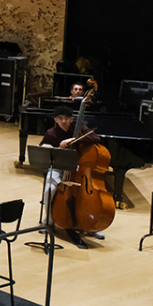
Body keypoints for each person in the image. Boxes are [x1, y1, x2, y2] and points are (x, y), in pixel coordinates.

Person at [40, 105, 105, 248]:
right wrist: (47, 147)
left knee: (85, 196)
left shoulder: (80, 128)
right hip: (59, 167)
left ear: (71, 119)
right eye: (60, 118)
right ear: (55, 119)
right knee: (49, 189)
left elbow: (96, 138)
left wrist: (74, 139)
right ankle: (49, 220)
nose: (64, 121)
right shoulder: (51, 133)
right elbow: (43, 146)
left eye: (67, 118)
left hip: (78, 169)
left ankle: (91, 224)